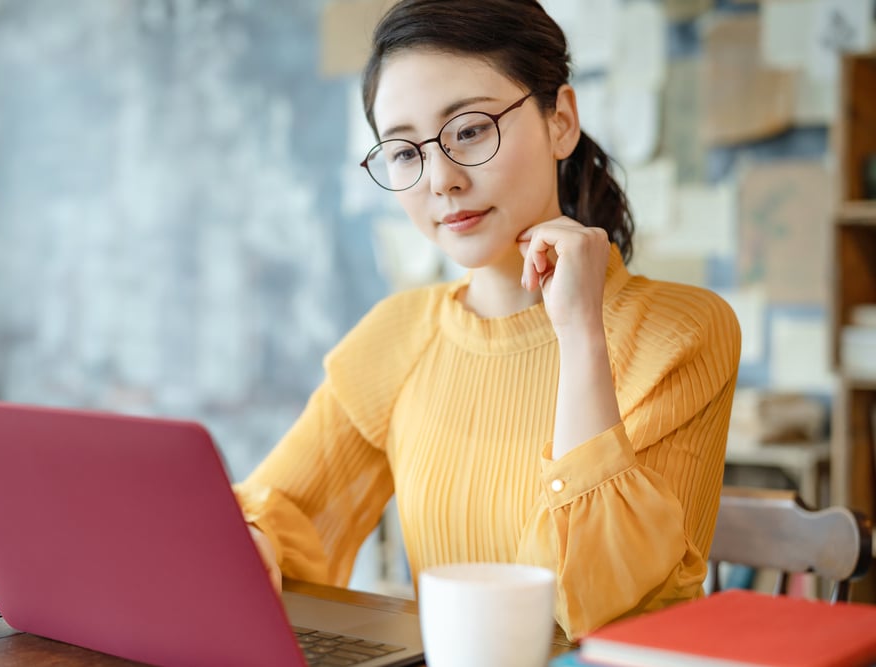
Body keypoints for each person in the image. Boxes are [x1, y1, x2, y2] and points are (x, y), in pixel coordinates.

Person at [234, 0, 740, 640]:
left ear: (560, 122)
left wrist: (581, 334)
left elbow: (602, 607)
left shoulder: (683, 331)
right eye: (404, 151)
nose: (441, 179)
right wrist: (248, 542)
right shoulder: (400, 334)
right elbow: (283, 513)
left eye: (469, 130)